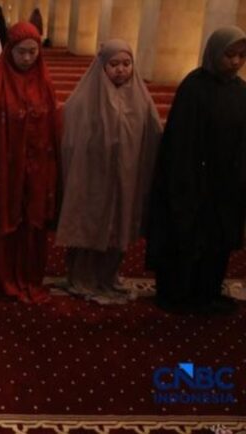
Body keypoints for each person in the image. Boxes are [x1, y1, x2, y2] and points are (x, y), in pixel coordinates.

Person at [146, 26, 246, 315]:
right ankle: (179, 293)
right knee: (188, 238)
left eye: (241, 56)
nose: (236, 62)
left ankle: (207, 292)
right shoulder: (194, 87)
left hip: (225, 183)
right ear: (215, 53)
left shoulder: (240, 92)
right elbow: (181, 143)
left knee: (218, 241)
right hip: (193, 181)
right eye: (230, 55)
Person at [56, 39, 162, 304]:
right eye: (114, 64)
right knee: (89, 225)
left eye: (127, 64)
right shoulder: (83, 100)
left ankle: (108, 276)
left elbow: (152, 137)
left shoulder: (141, 100)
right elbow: (69, 140)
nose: (121, 70)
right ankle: (81, 277)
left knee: (118, 226)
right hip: (91, 178)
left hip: (125, 177)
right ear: (102, 66)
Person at [0, 22, 60, 304]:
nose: (27, 58)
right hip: (5, 169)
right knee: (5, 220)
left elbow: (53, 129)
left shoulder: (45, 84)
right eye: (21, 52)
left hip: (37, 168)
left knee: (32, 224)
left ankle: (29, 277)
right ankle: (2, 279)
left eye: (33, 52)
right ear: (9, 51)